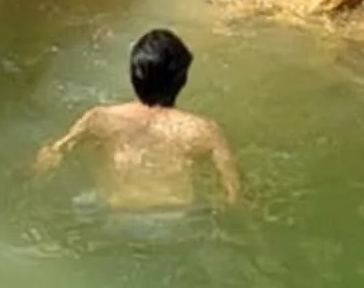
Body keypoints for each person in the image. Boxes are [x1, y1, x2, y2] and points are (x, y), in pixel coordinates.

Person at [31, 28, 243, 210]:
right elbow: (233, 194)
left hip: (119, 219)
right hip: (178, 221)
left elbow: (53, 156)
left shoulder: (100, 119)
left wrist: (32, 178)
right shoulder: (203, 129)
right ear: (183, 79)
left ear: (132, 75)